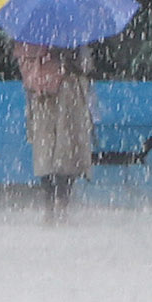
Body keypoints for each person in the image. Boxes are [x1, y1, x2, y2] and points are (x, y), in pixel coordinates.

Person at [15, 36, 95, 220]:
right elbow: (85, 66)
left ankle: (49, 205)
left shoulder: (29, 38)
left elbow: (25, 70)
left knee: (45, 153)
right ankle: (61, 203)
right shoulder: (73, 36)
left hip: (41, 99)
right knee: (67, 153)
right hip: (67, 97)